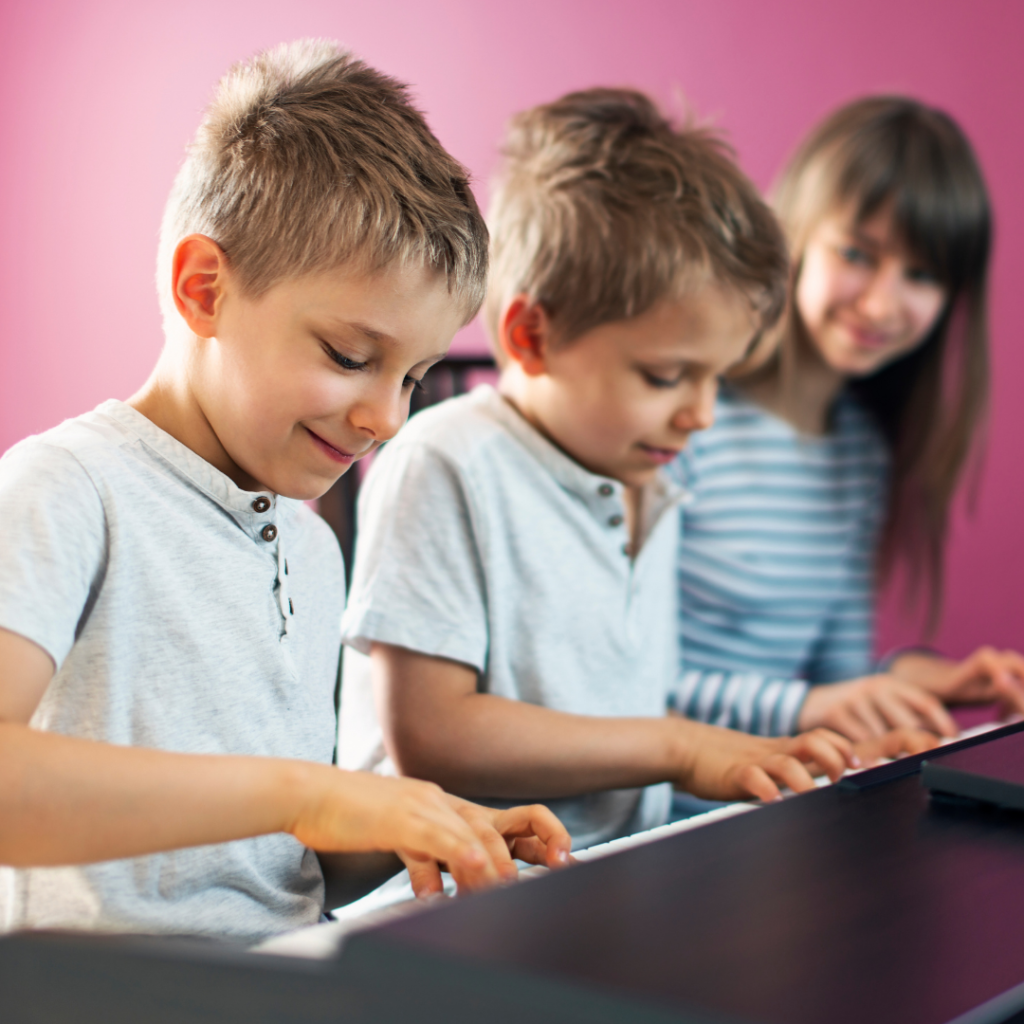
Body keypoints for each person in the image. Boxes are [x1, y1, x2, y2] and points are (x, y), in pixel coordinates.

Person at [0, 40, 573, 944]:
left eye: (414, 377)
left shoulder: (311, 545)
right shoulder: (70, 490)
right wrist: (310, 792)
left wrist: (410, 821)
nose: (386, 417)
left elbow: (270, 860)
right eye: (351, 357)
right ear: (204, 291)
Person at [336, 88, 889, 854]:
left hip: (613, 875)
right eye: (666, 377)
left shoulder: (649, 483)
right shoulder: (448, 461)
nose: (701, 414)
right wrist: (681, 747)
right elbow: (432, 733)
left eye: (715, 379)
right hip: (452, 888)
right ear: (531, 335)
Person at [670, 96, 1024, 743]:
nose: (882, 303)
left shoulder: (861, 454)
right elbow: (615, 686)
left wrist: (923, 683)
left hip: (778, 806)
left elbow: (839, 679)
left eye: (920, 274)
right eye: (858, 255)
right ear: (796, 232)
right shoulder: (683, 417)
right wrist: (809, 712)